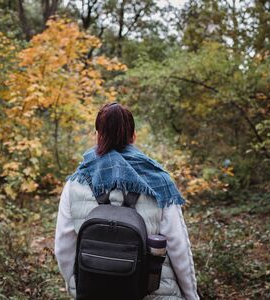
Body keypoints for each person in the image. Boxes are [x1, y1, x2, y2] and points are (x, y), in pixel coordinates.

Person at [55, 102, 199, 300]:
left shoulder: (75, 183)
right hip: (153, 292)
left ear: (97, 135)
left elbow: (63, 247)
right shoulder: (159, 181)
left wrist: (75, 285)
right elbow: (178, 247)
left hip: (94, 291)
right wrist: (191, 295)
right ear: (133, 136)